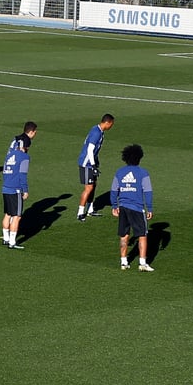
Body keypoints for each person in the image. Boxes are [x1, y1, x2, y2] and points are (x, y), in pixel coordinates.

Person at [111, 144, 154, 272]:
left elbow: (114, 190)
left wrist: (114, 205)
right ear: (139, 157)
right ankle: (142, 263)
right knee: (142, 235)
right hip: (137, 208)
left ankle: (124, 262)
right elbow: (148, 191)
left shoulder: (119, 172)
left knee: (124, 235)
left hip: (123, 207)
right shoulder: (143, 173)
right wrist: (150, 208)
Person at [76, 113, 115, 222]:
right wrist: (93, 165)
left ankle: (90, 209)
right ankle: (80, 212)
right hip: (86, 163)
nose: (111, 126)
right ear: (107, 122)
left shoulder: (99, 131)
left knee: (93, 185)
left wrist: (96, 162)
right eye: (111, 124)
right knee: (88, 188)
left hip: (91, 162)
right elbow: (90, 149)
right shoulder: (96, 133)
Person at [1, 123, 34, 249]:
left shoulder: (9, 155)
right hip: (15, 189)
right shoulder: (24, 157)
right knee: (17, 216)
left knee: (8, 214)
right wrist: (25, 190)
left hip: (5, 187)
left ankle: (5, 238)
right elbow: (22, 175)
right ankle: (12, 242)